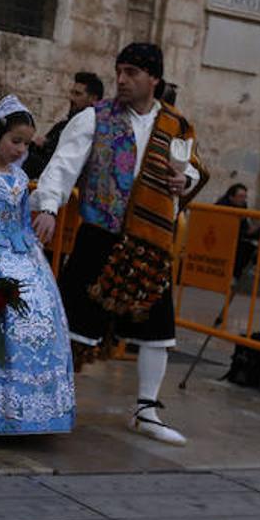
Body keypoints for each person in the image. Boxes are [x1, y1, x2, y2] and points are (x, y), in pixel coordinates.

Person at [33, 43, 207, 446]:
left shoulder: (176, 125)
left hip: (150, 241)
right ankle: (50, 403)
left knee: (156, 330)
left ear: (154, 78)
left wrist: (187, 182)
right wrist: (48, 208)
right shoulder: (95, 119)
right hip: (99, 234)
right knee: (73, 324)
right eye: (120, 71)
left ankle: (146, 410)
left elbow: (193, 170)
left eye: (132, 72)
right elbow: (62, 166)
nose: (123, 80)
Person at [0, 96, 75, 435]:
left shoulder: (21, 179)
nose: (20, 149)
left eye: (25, 143)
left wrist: (32, 240)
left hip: (21, 254)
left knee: (35, 315)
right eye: (15, 141)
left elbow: (22, 219)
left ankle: (31, 408)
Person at [24, 71, 101, 179]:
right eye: (72, 93)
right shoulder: (62, 126)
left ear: (93, 99)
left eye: (78, 94)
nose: (72, 98)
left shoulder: (97, 131)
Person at [217, 183, 260, 280]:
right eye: (240, 196)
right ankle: (234, 275)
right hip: (223, 238)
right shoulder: (222, 206)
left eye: (245, 197)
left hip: (238, 235)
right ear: (231, 197)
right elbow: (223, 228)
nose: (243, 199)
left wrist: (251, 229)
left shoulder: (242, 205)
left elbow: (244, 224)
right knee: (244, 248)